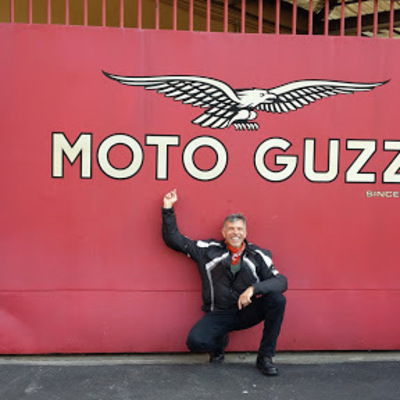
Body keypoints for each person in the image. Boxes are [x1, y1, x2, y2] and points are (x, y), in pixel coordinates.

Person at [162, 189, 287, 376]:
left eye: (239, 229)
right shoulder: (207, 250)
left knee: (277, 300)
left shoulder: (258, 254)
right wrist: (168, 208)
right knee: (195, 343)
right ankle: (219, 343)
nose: (235, 233)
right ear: (223, 232)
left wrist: (254, 289)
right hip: (218, 314)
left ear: (245, 232)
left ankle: (265, 358)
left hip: (246, 312)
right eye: (231, 229)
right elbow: (174, 239)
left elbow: (281, 281)